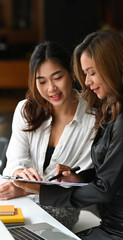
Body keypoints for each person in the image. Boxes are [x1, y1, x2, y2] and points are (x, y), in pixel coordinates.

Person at [14, 30, 123, 240]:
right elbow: (112, 172)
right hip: (114, 226)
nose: (87, 82)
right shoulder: (116, 111)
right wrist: (78, 178)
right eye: (85, 74)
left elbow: (105, 189)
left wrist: (41, 191)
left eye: (92, 73)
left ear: (112, 67)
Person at [0, 41, 95, 229]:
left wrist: (26, 189)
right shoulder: (26, 109)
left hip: (61, 207)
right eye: (41, 81)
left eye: (57, 77)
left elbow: (79, 183)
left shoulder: (92, 118)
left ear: (72, 72)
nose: (51, 88)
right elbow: (13, 164)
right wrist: (20, 173)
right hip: (17, 198)